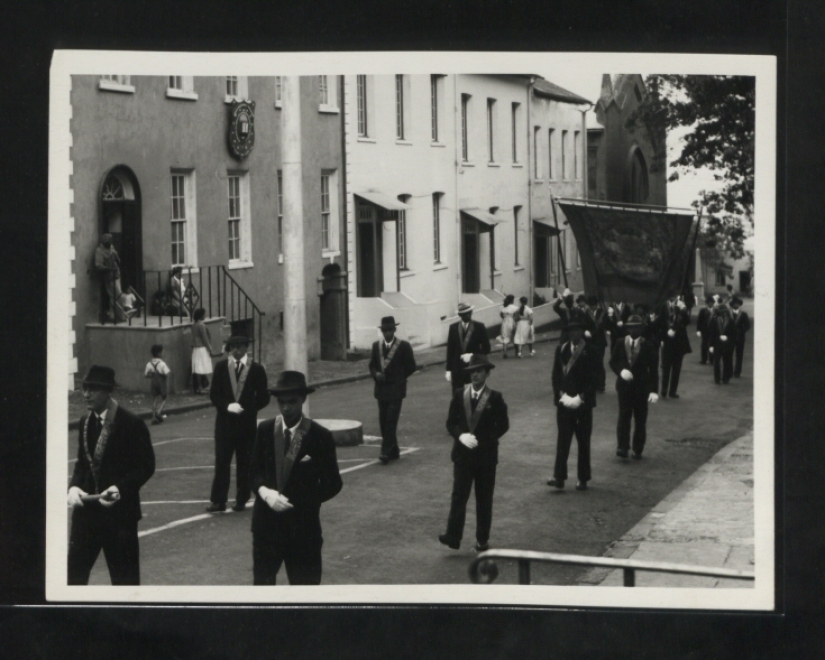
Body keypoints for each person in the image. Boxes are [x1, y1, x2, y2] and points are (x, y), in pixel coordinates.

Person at [250, 371, 343, 585]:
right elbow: (252, 471)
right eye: (281, 402)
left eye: (291, 402)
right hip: (267, 528)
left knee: (305, 595)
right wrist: (265, 493)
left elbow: (334, 483)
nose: (286, 408)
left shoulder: (320, 436)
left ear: (303, 399)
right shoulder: (265, 430)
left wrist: (302, 501)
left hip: (303, 530)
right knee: (262, 594)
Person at [67, 366, 155, 585]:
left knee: (125, 582)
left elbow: (146, 466)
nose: (86, 394)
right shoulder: (84, 422)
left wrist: (120, 488)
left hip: (119, 516)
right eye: (85, 389)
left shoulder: (131, 423)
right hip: (86, 515)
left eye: (93, 389)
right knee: (73, 577)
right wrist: (74, 487)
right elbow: (82, 464)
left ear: (108, 392)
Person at [439, 355, 509, 552]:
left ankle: (482, 539)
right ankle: (453, 536)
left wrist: (486, 439)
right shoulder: (460, 394)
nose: (475, 375)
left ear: (487, 373)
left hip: (485, 456)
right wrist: (460, 436)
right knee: (459, 496)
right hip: (463, 454)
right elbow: (450, 422)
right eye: (472, 371)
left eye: (479, 371)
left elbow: (504, 425)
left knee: (484, 498)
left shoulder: (495, 397)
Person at [207, 334, 270, 513]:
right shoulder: (221, 367)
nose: (235, 350)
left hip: (246, 424)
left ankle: (241, 499)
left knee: (245, 462)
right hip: (224, 424)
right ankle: (218, 501)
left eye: (239, 346)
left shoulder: (256, 369)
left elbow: (264, 397)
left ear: (245, 348)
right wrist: (227, 406)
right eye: (232, 347)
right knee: (222, 463)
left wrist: (248, 409)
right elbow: (214, 395)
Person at [547, 320, 597, 492]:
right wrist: (562, 395)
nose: (574, 334)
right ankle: (559, 477)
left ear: (582, 332)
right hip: (565, 402)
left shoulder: (591, 350)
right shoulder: (561, 349)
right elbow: (556, 377)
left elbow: (595, 379)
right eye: (571, 331)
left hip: (582, 404)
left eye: (577, 330)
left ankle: (583, 478)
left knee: (583, 441)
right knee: (563, 440)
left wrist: (581, 397)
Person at [609, 315, 660, 460]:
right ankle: (623, 447)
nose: (633, 329)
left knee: (640, 419)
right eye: (631, 327)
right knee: (624, 417)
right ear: (627, 328)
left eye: (637, 326)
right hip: (624, 387)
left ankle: (638, 448)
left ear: (641, 328)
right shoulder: (620, 342)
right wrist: (620, 371)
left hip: (641, 388)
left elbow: (654, 370)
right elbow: (612, 362)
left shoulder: (648, 345)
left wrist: (654, 390)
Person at [368, 316, 417, 465]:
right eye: (385, 330)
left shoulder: (404, 346)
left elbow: (411, 366)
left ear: (394, 330)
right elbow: (372, 365)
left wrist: (400, 378)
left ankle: (385, 451)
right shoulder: (376, 346)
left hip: (396, 389)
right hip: (381, 389)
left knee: (391, 421)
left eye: (390, 330)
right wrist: (375, 374)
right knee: (383, 421)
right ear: (382, 331)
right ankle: (394, 449)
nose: (387, 333)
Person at [445, 302, 491, 390]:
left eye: (469, 313)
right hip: (457, 368)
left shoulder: (479, 326)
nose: (468, 315)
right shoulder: (453, 328)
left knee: (474, 395)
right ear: (460, 315)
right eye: (465, 314)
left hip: (474, 367)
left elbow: (487, 348)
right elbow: (450, 350)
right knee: (457, 396)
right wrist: (448, 369)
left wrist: (472, 355)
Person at [658, 292, 692, 399]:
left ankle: (672, 391)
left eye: (674, 294)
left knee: (676, 368)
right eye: (670, 294)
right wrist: (663, 337)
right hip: (667, 340)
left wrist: (683, 311)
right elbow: (660, 323)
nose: (672, 296)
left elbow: (687, 322)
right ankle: (664, 389)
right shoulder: (663, 306)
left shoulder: (681, 305)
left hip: (679, 341)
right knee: (666, 366)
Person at [583, 295, 608, 392]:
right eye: (590, 305)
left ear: (596, 305)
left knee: (599, 362)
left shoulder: (603, 313)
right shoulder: (586, 313)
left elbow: (603, 325)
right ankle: (594, 383)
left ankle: (601, 385)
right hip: (590, 342)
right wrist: (585, 331)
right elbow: (584, 324)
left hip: (600, 341)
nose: (592, 307)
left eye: (593, 305)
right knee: (591, 362)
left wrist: (592, 333)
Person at [94, 233, 121, 322]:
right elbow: (98, 266)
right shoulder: (99, 251)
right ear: (104, 242)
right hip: (109, 276)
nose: (111, 242)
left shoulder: (111, 248)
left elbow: (118, 260)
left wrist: (115, 255)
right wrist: (110, 268)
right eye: (109, 241)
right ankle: (115, 316)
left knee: (117, 295)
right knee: (114, 295)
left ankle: (115, 315)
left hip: (116, 274)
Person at [708, 301, 736, 385]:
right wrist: (711, 345)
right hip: (717, 344)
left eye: (724, 311)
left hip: (727, 344)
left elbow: (734, 333)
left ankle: (726, 378)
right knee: (716, 362)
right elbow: (711, 333)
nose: (723, 313)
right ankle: (717, 378)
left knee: (727, 361)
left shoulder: (731, 320)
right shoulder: (714, 320)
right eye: (721, 311)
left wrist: (728, 338)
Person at [191, 308, 216, 394]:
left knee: (197, 368)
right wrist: (210, 350)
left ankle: (199, 387)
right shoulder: (201, 326)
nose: (205, 316)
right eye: (204, 314)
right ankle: (201, 387)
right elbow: (205, 339)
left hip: (195, 348)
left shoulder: (194, 325)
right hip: (202, 348)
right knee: (201, 367)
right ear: (201, 315)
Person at [144, 344, 170, 424]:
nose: (163, 353)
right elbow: (167, 373)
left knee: (155, 398)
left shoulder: (149, 364)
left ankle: (153, 417)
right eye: (162, 352)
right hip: (161, 382)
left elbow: (146, 375)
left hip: (153, 382)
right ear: (159, 353)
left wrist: (152, 375)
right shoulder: (162, 363)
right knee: (164, 398)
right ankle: (158, 412)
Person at [730, 296, 751, 378]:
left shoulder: (743, 314)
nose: (736, 305)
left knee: (739, 356)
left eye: (738, 304)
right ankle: (730, 371)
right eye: (734, 304)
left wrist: (741, 330)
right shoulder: (728, 313)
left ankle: (737, 372)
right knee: (729, 355)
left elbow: (747, 326)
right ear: (732, 305)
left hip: (740, 338)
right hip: (730, 337)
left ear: (740, 305)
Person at [498, 295, 519, 359]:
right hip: (512, 322)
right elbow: (516, 317)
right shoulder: (515, 307)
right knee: (515, 336)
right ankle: (517, 351)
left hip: (505, 323)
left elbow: (501, 315)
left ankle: (505, 352)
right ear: (512, 300)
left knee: (505, 337)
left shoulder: (502, 307)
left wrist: (505, 318)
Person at [696, 295, 715, 364]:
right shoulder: (703, 310)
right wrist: (698, 330)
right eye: (709, 302)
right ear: (706, 303)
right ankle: (704, 359)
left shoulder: (716, 310)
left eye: (711, 302)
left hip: (713, 331)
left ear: (713, 303)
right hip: (705, 330)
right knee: (704, 345)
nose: (710, 304)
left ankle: (712, 359)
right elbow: (699, 321)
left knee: (712, 345)